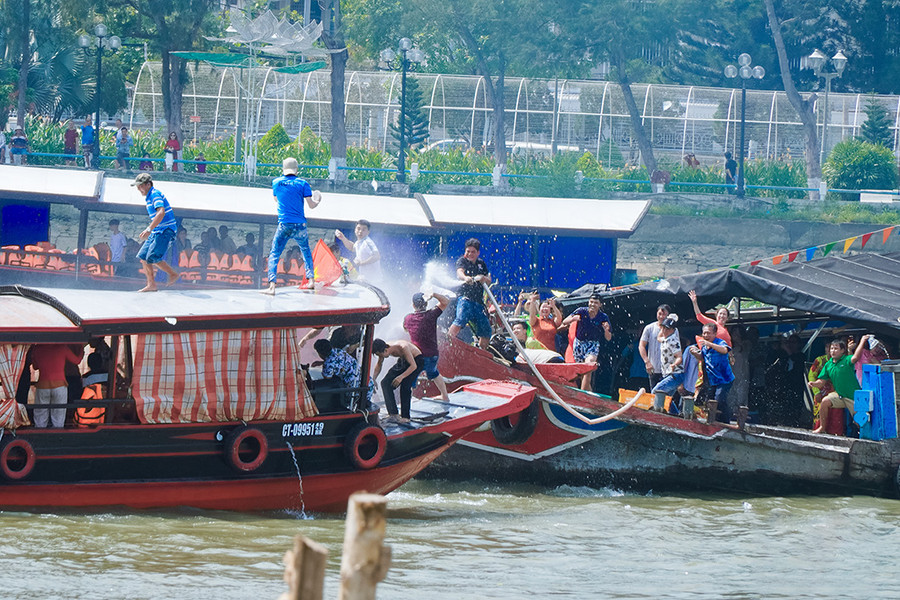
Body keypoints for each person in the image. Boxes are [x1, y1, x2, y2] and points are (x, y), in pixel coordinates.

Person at [263, 157, 321, 295]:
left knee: (275, 254)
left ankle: (272, 286)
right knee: (306, 251)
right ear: (297, 170)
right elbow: (311, 205)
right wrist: (318, 199)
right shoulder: (303, 184)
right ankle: (311, 281)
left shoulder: (276, 182)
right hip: (300, 224)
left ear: (283, 169)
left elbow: (276, 199)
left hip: (284, 224)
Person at [132, 172, 179, 292]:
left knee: (152, 257)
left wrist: (148, 229)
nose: (138, 189)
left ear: (148, 184)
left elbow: (161, 212)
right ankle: (151, 284)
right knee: (143, 257)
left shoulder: (154, 194)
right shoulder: (149, 197)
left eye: (141, 185)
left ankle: (173, 274)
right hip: (157, 231)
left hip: (165, 230)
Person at [403, 292, 451, 402]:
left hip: (417, 357)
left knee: (410, 378)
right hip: (432, 355)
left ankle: (408, 400)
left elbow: (405, 328)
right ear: (426, 303)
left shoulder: (408, 318)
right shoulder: (432, 315)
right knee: (434, 373)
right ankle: (445, 396)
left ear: (413, 305)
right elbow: (446, 301)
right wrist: (433, 294)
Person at [447, 238, 492, 350]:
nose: (470, 254)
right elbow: (459, 273)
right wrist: (466, 278)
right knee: (461, 319)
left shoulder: (481, 264)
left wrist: (483, 279)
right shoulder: (462, 261)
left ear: (478, 253)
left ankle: (482, 354)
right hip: (465, 299)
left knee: (486, 330)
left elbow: (489, 279)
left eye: (473, 252)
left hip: (478, 302)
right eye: (468, 251)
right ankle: (447, 342)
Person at [562, 293, 612, 391]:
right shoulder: (581, 311)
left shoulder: (603, 317)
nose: (592, 304)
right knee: (582, 373)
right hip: (579, 344)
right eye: (591, 302)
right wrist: (573, 319)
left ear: (600, 305)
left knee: (588, 366)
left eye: (596, 303)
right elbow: (564, 321)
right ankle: (590, 395)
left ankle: (582, 395)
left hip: (592, 344)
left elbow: (608, 338)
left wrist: (606, 330)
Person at [810, 339, 861, 435]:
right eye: (831, 348)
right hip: (839, 395)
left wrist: (862, 341)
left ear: (842, 351)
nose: (833, 351)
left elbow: (856, 357)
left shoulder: (846, 360)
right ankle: (822, 427)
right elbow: (821, 382)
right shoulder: (828, 364)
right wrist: (814, 384)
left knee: (860, 421)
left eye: (836, 348)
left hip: (852, 396)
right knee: (825, 402)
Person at [690, 322, 735, 424]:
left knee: (719, 400)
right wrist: (695, 354)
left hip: (725, 379)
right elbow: (702, 358)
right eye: (704, 333)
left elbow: (724, 350)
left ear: (715, 334)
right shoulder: (705, 347)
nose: (706, 336)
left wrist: (710, 344)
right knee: (708, 401)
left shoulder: (720, 342)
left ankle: (725, 421)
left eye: (708, 333)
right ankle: (713, 420)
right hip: (712, 380)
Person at [30, 344, 84, 428]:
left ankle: (40, 435)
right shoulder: (62, 347)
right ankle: (57, 436)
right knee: (59, 415)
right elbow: (77, 361)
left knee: (40, 415)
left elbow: (35, 367)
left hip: (42, 386)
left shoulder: (37, 348)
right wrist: (81, 351)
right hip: (60, 386)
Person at [372, 338, 425, 422]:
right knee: (385, 383)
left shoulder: (402, 347)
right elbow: (379, 365)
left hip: (417, 361)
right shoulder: (384, 348)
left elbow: (413, 366)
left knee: (405, 385)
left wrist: (401, 377)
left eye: (380, 355)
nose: (380, 358)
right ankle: (393, 414)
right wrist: (373, 379)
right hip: (404, 360)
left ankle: (405, 416)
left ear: (385, 350)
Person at [314, 338, 373, 408]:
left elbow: (327, 377)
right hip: (367, 383)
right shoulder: (339, 351)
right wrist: (322, 362)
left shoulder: (328, 364)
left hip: (355, 391)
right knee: (365, 408)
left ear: (320, 353)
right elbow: (337, 361)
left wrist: (324, 365)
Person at [651, 314, 683, 413]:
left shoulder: (673, 341)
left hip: (676, 374)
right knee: (667, 398)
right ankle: (675, 415)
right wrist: (666, 323)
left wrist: (674, 365)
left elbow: (679, 357)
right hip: (668, 374)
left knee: (656, 392)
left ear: (673, 330)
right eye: (663, 328)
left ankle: (659, 413)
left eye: (667, 329)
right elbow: (658, 337)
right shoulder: (665, 339)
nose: (665, 331)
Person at [639, 304, 671, 390]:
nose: (661, 316)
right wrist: (647, 362)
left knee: (667, 395)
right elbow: (641, 346)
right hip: (653, 368)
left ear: (668, 315)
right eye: (659, 314)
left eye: (664, 314)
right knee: (654, 394)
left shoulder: (672, 329)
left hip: (668, 369)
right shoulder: (649, 328)